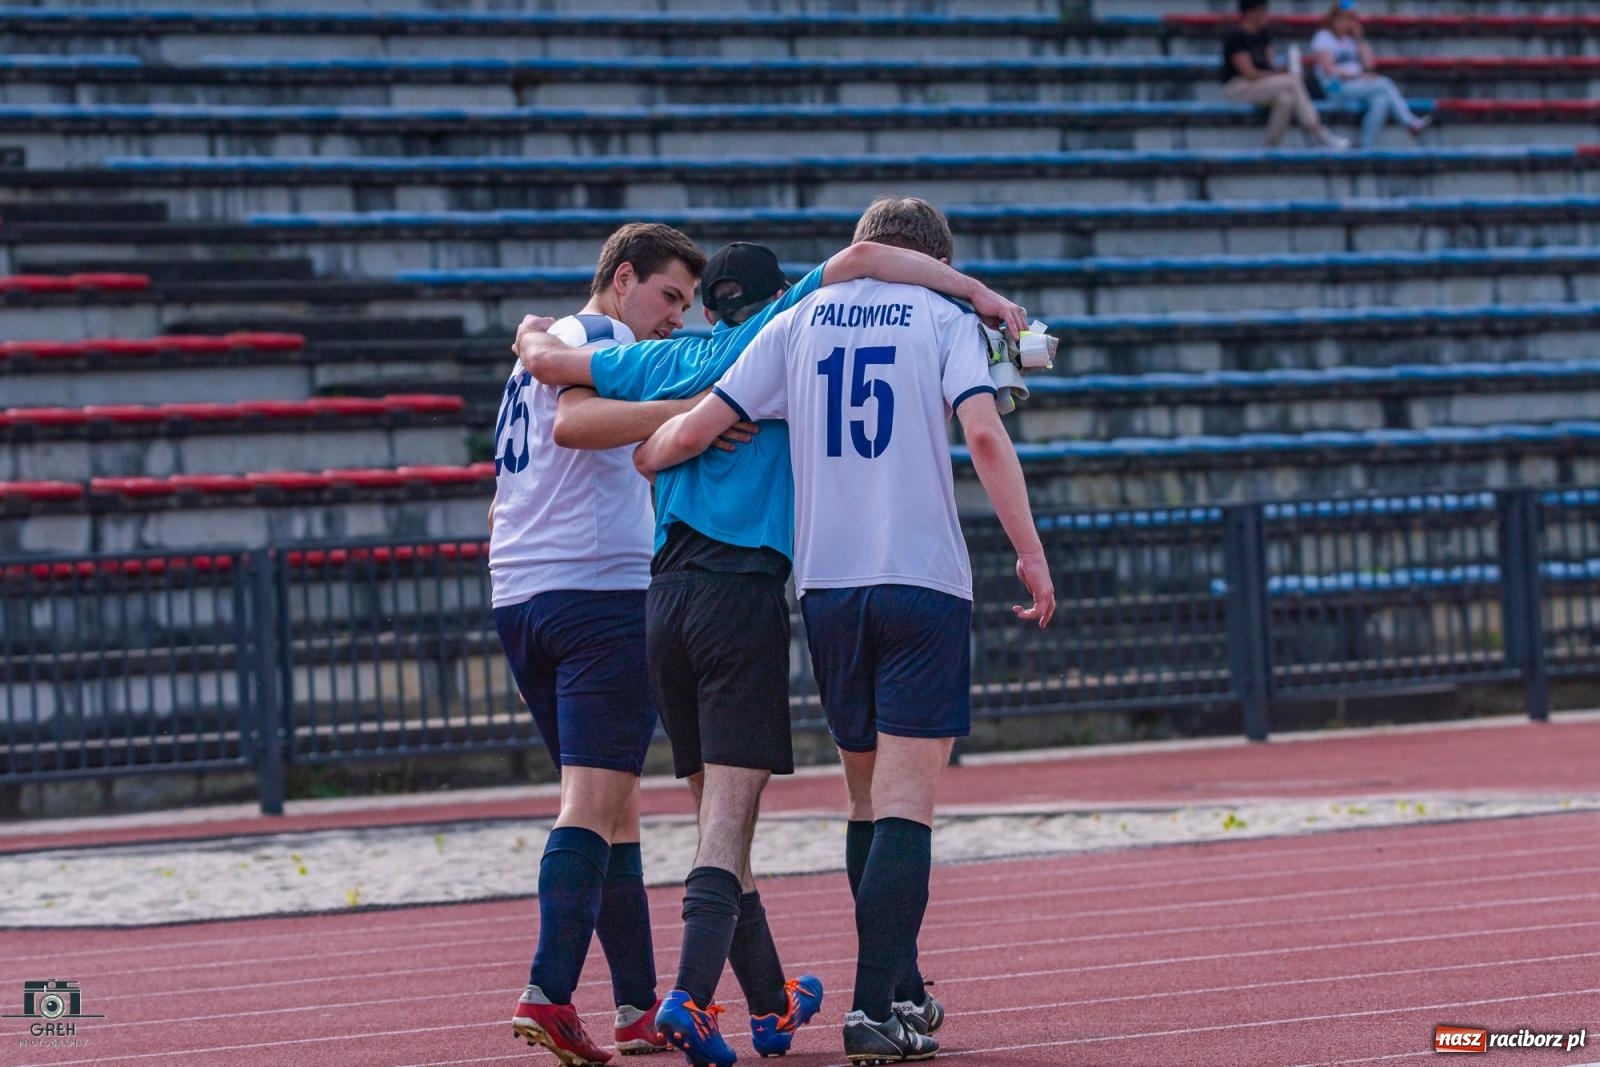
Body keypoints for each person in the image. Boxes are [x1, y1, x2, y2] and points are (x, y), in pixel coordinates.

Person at [517, 236, 1026, 1067]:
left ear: (709, 304)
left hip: (661, 599)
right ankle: (686, 994)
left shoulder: (664, 354)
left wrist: (535, 337)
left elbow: (567, 395)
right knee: (727, 825)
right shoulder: (785, 335)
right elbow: (861, 258)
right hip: (741, 596)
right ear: (777, 293)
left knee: (717, 820)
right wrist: (974, 290)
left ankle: (770, 1002)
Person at [494, 222, 716, 1066]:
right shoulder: (603, 338)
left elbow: (508, 488)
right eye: (669, 296)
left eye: (687, 304)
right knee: (592, 800)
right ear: (623, 280)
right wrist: (693, 413)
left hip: (523, 593)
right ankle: (547, 991)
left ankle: (634, 1005)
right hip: (596, 596)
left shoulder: (544, 348)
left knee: (615, 803)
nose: (674, 317)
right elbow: (575, 429)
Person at [1221, 0, 1350, 149]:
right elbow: (1249, 73)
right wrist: (1282, 76)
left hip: (1261, 85)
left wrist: (1284, 69)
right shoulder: (1236, 37)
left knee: (1286, 99)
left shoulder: (1264, 35)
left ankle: (1270, 147)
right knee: (1293, 81)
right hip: (1239, 86)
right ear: (1250, 14)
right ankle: (1318, 131)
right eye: (1262, 11)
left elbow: (1269, 67)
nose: (1266, 15)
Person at [1310, 0, 1430, 147]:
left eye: (1351, 18)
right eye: (1344, 18)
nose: (1348, 22)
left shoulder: (1351, 40)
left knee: (1380, 100)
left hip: (1354, 85)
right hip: (1333, 86)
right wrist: (1356, 75)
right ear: (1334, 18)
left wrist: (1360, 38)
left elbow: (1370, 65)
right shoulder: (1324, 37)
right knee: (1384, 83)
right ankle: (1410, 123)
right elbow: (1328, 69)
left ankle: (1365, 145)